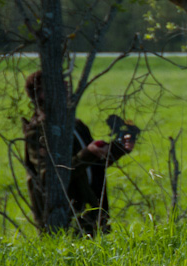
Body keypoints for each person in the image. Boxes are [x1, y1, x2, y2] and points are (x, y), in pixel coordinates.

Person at [21, 71, 135, 236]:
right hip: (64, 221)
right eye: (59, 84)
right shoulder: (38, 132)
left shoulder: (75, 125)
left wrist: (119, 148)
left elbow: (94, 165)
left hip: (90, 213)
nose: (67, 86)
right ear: (41, 94)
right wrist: (88, 153)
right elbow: (50, 176)